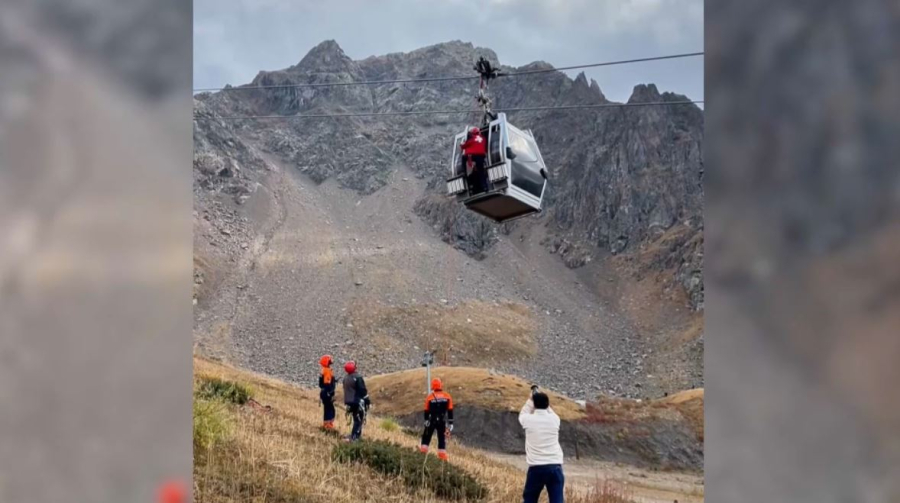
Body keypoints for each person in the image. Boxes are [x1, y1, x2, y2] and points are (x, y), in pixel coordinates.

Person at [518, 386, 565, 503]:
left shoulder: (528, 420)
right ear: (547, 404)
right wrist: (540, 399)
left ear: (534, 404)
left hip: (536, 467)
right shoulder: (555, 419)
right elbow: (549, 410)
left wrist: (530, 400)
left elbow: (522, 414)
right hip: (555, 466)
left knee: (530, 499)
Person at [418, 378, 454, 461]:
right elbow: (450, 410)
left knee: (426, 437)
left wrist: (426, 420)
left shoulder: (430, 397)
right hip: (442, 421)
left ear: (433, 387)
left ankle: (422, 455)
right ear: (440, 385)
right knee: (441, 439)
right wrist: (451, 423)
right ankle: (442, 458)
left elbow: (426, 410)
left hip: (432, 420)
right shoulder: (447, 396)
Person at [342, 360, 370, 442]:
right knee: (359, 420)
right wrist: (367, 399)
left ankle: (354, 435)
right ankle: (355, 437)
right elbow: (362, 390)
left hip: (349, 402)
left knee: (356, 418)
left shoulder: (346, 378)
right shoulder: (357, 377)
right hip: (357, 401)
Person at [460, 127, 488, 195]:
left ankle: (464, 172)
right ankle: (485, 187)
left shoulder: (472, 139)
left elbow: (463, 146)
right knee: (481, 172)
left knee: (463, 158)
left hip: (473, 156)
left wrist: (463, 142)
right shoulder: (483, 139)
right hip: (481, 157)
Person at [318, 355, 337, 429]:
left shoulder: (323, 370)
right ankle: (329, 425)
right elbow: (327, 383)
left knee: (327, 408)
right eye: (330, 360)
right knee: (330, 409)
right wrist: (330, 393)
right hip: (327, 392)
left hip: (323, 392)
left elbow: (321, 384)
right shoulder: (327, 371)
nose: (331, 361)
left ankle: (325, 424)